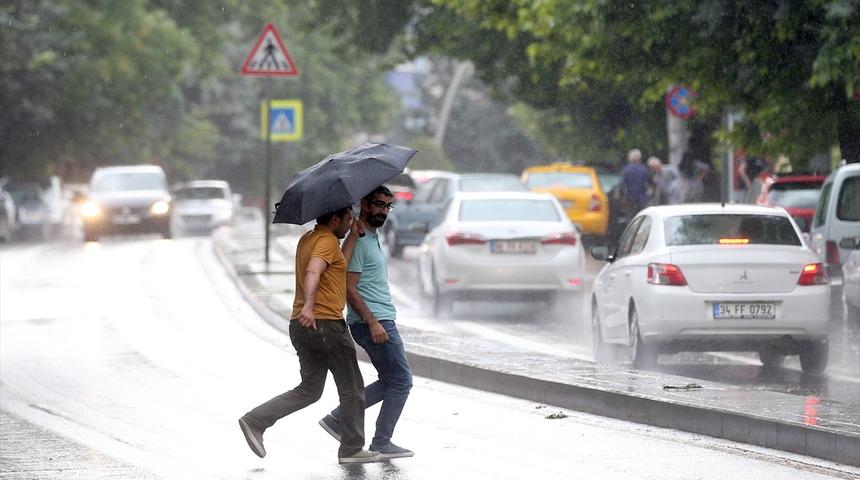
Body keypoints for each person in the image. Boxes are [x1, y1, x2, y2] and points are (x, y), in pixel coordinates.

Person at [238, 206, 381, 465]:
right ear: (334, 219)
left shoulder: (310, 239)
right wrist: (309, 306)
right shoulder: (326, 242)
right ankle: (351, 448)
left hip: (301, 326)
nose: (351, 224)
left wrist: (352, 237)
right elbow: (313, 271)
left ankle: (256, 420)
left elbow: (338, 266)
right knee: (352, 388)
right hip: (325, 324)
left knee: (309, 390)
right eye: (348, 220)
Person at [319, 186, 415, 459]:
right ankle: (380, 441)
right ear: (364, 203)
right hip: (372, 320)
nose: (383, 210)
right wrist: (372, 321)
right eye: (378, 204)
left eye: (387, 206)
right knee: (402, 380)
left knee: (391, 379)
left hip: (380, 317)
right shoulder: (360, 240)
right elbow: (349, 287)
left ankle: (338, 418)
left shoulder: (372, 236)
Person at [619, 149, 650, 216]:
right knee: (642, 217)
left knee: (631, 219)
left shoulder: (626, 170)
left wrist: (623, 198)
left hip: (629, 199)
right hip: (642, 199)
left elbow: (621, 185)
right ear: (639, 158)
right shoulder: (644, 169)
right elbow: (651, 182)